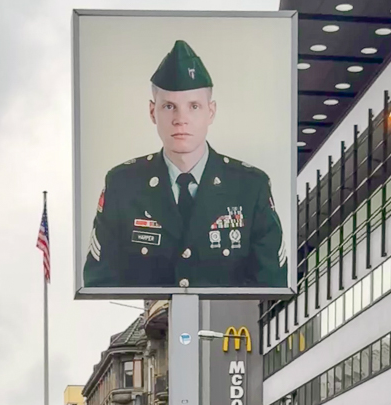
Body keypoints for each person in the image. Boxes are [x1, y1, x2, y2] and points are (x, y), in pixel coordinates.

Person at [83, 39, 286, 290]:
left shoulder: (250, 187)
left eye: (194, 106)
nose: (181, 119)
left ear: (210, 112)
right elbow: (99, 283)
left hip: (228, 329)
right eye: (169, 106)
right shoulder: (123, 185)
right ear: (152, 112)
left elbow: (272, 285)